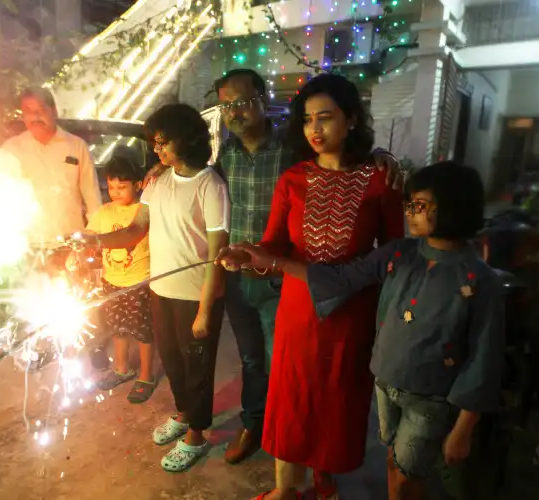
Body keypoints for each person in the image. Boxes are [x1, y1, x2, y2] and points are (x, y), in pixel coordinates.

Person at [146, 69, 404, 465]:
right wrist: (163, 167)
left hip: (289, 281)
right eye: (226, 105)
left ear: (263, 100)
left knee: (289, 368)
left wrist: (382, 157)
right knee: (252, 359)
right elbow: (194, 176)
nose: (235, 112)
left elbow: (341, 163)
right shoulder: (225, 155)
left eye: (243, 101)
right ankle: (257, 427)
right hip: (240, 275)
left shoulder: (291, 151)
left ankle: (304, 450)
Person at [223, 162, 506, 500]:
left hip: (433, 397)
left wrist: (464, 428)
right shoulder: (398, 254)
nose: (410, 212)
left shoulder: (478, 279)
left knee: (408, 478)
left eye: (420, 205)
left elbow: (483, 360)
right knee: (394, 463)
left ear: (455, 206)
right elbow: (340, 279)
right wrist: (270, 261)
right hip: (387, 385)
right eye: (409, 204)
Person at [217, 73, 405, 499]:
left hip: (351, 314)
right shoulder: (294, 180)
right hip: (298, 310)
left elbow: (395, 253)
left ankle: (325, 476)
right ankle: (287, 487)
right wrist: (247, 256)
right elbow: (273, 247)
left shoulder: (380, 181)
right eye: (306, 120)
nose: (315, 130)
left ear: (352, 119)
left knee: (335, 398)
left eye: (326, 118)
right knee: (292, 394)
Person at [83, 104, 229, 472]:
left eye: (164, 141)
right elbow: (136, 229)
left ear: (188, 138)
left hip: (195, 294)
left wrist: (206, 310)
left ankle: (197, 435)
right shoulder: (157, 183)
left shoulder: (210, 185)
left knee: (198, 368)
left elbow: (217, 255)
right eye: (155, 143)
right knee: (174, 361)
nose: (157, 149)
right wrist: (94, 241)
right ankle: (183, 415)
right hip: (160, 290)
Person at [68, 156, 156, 403]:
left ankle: (147, 376)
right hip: (111, 281)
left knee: (142, 331)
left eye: (122, 187)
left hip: (139, 282)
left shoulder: (142, 211)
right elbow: (90, 233)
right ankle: (121, 368)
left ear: (138, 185)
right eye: (111, 187)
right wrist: (78, 244)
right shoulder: (105, 212)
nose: (115, 193)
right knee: (118, 328)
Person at [2, 86, 102, 256]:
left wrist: (95, 239)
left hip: (70, 246)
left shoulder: (76, 146)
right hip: (27, 249)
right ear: (22, 116)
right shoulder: (11, 149)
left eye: (40, 110)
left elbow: (92, 198)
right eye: (28, 111)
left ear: (53, 111)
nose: (35, 117)